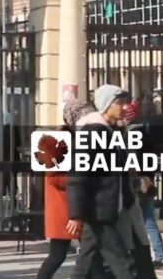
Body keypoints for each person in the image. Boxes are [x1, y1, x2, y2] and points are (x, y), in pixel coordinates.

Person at [67, 84, 137, 279]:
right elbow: (78, 175)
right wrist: (76, 214)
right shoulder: (93, 132)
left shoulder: (112, 131)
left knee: (85, 264)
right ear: (107, 105)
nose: (125, 107)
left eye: (125, 102)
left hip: (104, 209)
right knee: (124, 263)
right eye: (120, 103)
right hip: (98, 210)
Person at [39, 101, 95, 279]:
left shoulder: (82, 138)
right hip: (64, 206)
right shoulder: (58, 141)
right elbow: (53, 176)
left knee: (91, 252)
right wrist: (80, 180)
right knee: (58, 255)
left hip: (78, 204)